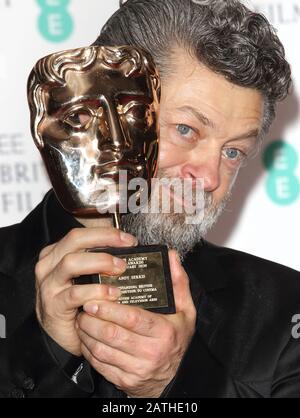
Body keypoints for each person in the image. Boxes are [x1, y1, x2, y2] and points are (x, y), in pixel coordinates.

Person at [0, 0, 299, 398]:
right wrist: (43, 353)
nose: (209, 177)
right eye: (186, 129)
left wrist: (176, 383)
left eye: (232, 152)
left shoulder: (281, 313)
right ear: (96, 117)